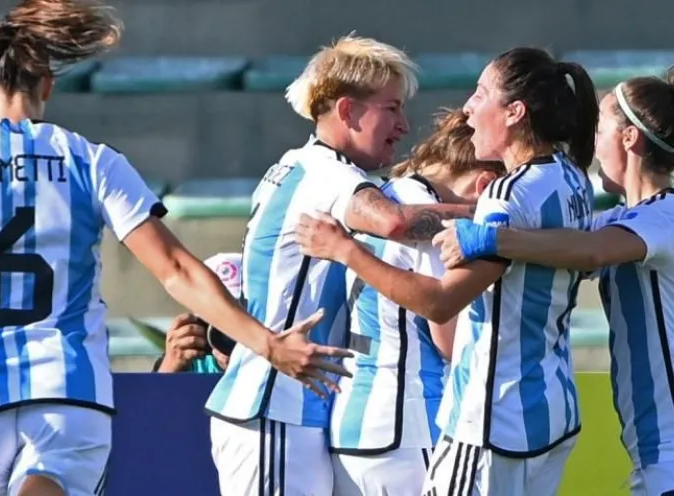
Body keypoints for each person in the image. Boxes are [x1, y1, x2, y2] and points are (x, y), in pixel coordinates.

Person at [0, 1, 351, 495]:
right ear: (47, 85)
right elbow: (175, 269)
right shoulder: (92, 161)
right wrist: (267, 343)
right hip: (68, 393)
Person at [434, 67, 674, 496]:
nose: (592, 143)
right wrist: (419, 214)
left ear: (628, 139)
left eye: (600, 128)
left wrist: (491, 237)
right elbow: (560, 238)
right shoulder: (631, 217)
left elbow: (590, 252)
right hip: (672, 451)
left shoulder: (662, 218)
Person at [296, 47, 599, 496]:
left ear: (514, 112)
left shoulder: (505, 195)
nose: (468, 110)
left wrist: (347, 251)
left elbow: (441, 303)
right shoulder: (572, 179)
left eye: (479, 95)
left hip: (492, 417)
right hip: (553, 407)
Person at [204, 35, 476, 496]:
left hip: (290, 402)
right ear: (348, 111)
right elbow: (391, 222)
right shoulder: (328, 174)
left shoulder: (297, 167)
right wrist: (503, 220)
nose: (404, 125)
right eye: (392, 108)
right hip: (275, 401)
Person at [328, 108, 505, 496]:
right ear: (486, 183)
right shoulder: (434, 227)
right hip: (408, 425)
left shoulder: (390, 196)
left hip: (354, 424)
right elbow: (449, 340)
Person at [154, 252, 241, 374]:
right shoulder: (191, 361)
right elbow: (155, 392)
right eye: (215, 317)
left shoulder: (271, 353)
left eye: (240, 316)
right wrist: (171, 364)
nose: (230, 333)